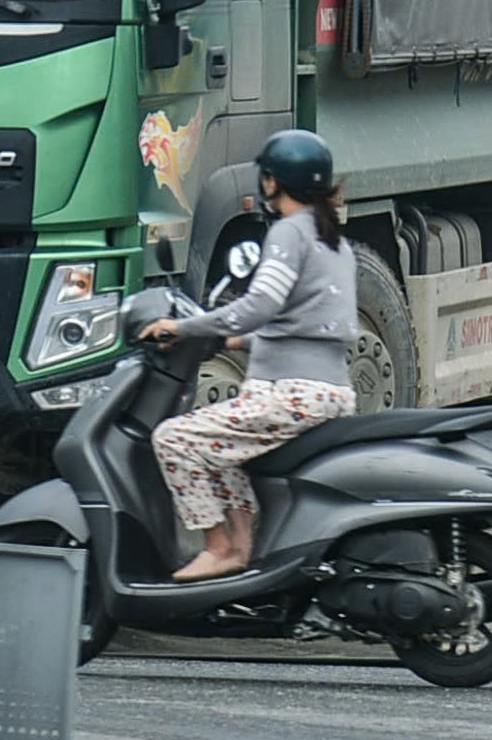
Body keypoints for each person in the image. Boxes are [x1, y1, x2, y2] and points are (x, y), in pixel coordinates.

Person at [139, 129, 358, 582]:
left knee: (174, 439)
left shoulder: (287, 233)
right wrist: (236, 342)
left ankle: (219, 547)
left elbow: (259, 306)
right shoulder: (334, 240)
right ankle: (241, 548)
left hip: (289, 392)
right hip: (329, 389)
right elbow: (310, 325)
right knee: (223, 450)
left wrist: (182, 327)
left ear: (274, 182)